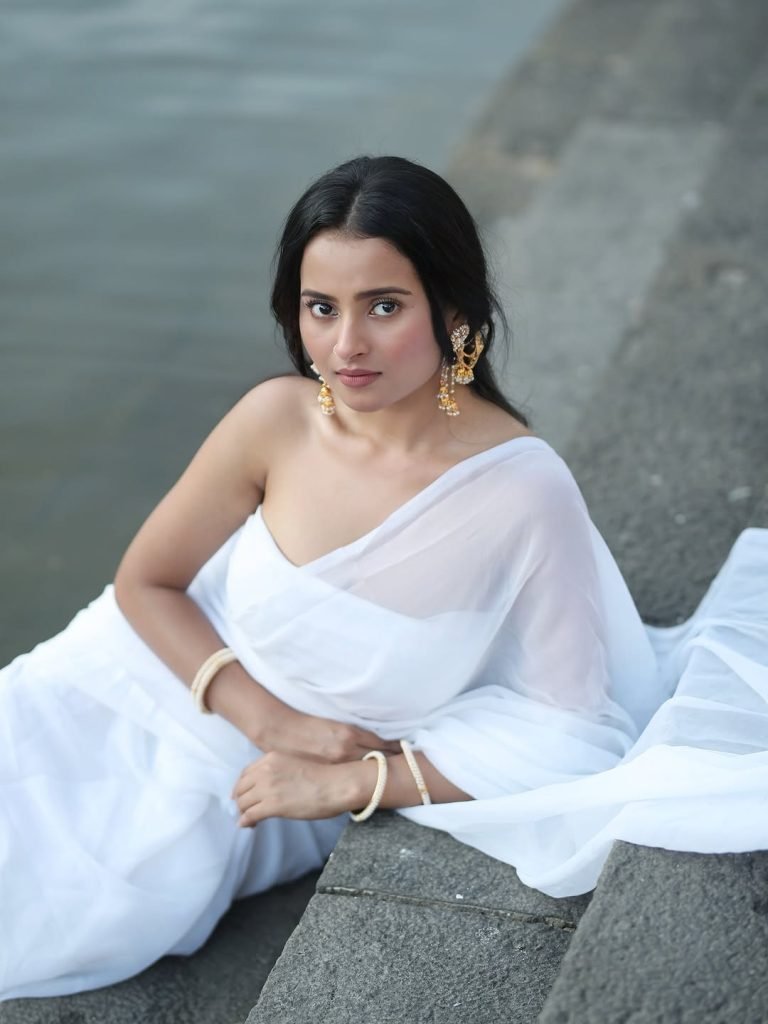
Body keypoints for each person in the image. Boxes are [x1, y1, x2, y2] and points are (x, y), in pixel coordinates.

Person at [1, 155, 767, 1001]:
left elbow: (573, 731)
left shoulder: (520, 491)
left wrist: (351, 783)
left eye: (384, 307)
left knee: (63, 909)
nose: (345, 346)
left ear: (456, 314)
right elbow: (147, 583)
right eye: (321, 308)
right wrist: (272, 717)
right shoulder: (276, 419)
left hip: (227, 790)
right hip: (132, 674)